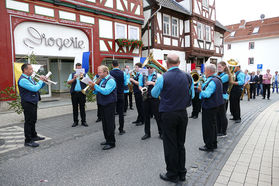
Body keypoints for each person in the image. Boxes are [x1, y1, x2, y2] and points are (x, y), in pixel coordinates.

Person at [151, 53, 194, 183]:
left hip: (168, 114)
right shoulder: (188, 76)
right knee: (180, 144)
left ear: (167, 63)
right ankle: (182, 173)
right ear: (179, 63)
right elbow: (191, 95)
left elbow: (154, 94)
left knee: (170, 145)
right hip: (182, 113)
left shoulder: (163, 77)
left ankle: (172, 174)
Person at [18, 64, 46, 147]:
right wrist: (41, 80)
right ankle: (28, 140)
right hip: (27, 103)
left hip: (32, 102)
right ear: (25, 70)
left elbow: (38, 86)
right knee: (29, 121)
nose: (32, 71)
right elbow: (34, 88)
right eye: (30, 69)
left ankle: (34, 136)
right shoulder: (23, 80)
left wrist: (43, 81)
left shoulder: (29, 78)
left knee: (33, 120)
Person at [89, 65, 117, 150]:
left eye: (100, 72)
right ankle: (107, 139)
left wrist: (95, 86)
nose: (98, 74)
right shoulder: (102, 79)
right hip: (103, 104)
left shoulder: (111, 80)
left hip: (109, 104)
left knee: (109, 123)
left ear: (106, 72)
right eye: (98, 72)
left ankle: (112, 142)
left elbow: (106, 91)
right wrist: (93, 88)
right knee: (104, 123)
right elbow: (99, 90)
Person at [198, 64, 224, 152]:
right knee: (213, 125)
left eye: (205, 70)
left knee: (207, 126)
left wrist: (200, 90)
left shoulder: (212, 81)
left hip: (209, 106)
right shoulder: (217, 79)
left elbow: (207, 94)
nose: (204, 72)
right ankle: (213, 143)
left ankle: (209, 145)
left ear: (209, 71)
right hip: (215, 106)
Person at [139, 65, 162, 140]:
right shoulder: (143, 75)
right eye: (147, 68)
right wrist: (141, 89)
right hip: (145, 97)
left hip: (155, 98)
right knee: (146, 116)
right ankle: (147, 133)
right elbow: (140, 85)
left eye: (150, 68)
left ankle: (161, 132)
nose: (149, 69)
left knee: (158, 116)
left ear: (154, 68)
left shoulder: (158, 76)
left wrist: (152, 83)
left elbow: (161, 86)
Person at [67, 63, 88, 127]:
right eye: (78, 68)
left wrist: (83, 78)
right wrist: (74, 79)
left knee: (82, 107)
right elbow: (68, 82)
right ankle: (75, 121)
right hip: (74, 93)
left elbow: (88, 82)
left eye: (80, 68)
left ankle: (83, 121)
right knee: (75, 108)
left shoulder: (85, 74)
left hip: (82, 93)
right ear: (76, 69)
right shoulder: (72, 74)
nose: (79, 69)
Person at [110, 60, 126, 135]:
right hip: (121, 94)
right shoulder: (123, 73)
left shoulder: (110, 73)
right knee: (121, 113)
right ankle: (121, 129)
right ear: (118, 65)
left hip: (112, 95)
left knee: (112, 113)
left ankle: (112, 129)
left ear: (112, 65)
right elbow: (126, 83)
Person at [216, 61, 230, 137]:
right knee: (218, 115)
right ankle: (218, 130)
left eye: (220, 67)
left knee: (222, 115)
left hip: (223, 97)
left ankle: (223, 132)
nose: (218, 68)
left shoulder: (226, 76)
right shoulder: (218, 74)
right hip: (218, 97)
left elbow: (217, 81)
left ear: (224, 67)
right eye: (217, 67)